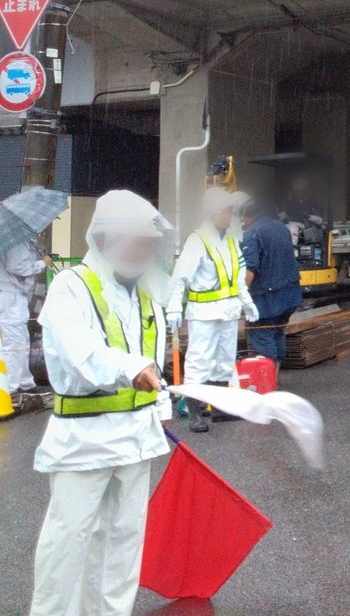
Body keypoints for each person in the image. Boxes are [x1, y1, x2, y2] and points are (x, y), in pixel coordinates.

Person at [30, 190, 171, 616]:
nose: (142, 252)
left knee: (123, 542)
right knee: (68, 542)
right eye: (136, 242)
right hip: (84, 441)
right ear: (107, 238)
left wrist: (159, 410)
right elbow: (81, 351)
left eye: (148, 243)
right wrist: (130, 368)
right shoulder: (71, 287)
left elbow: (154, 355)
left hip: (136, 439)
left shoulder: (147, 291)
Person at [168, 187, 258, 433]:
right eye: (225, 211)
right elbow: (180, 277)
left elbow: (238, 279)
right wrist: (174, 307)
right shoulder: (198, 240)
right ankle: (195, 414)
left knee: (224, 361)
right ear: (211, 212)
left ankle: (219, 408)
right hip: (204, 313)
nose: (229, 216)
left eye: (230, 211)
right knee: (199, 361)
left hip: (228, 312)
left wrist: (247, 302)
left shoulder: (231, 241)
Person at [241, 197, 302, 373]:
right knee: (277, 332)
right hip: (290, 293)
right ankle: (275, 375)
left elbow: (250, 269)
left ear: (244, 216)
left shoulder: (252, 233)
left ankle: (267, 379)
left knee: (262, 335)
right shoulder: (280, 226)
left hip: (267, 297)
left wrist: (241, 297)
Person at [0, 237, 50, 412]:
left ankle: (24, 383)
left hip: (11, 295)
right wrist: (42, 263)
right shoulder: (15, 240)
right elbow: (18, 266)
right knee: (15, 343)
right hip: (10, 296)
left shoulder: (13, 237)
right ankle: (13, 387)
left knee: (20, 341)